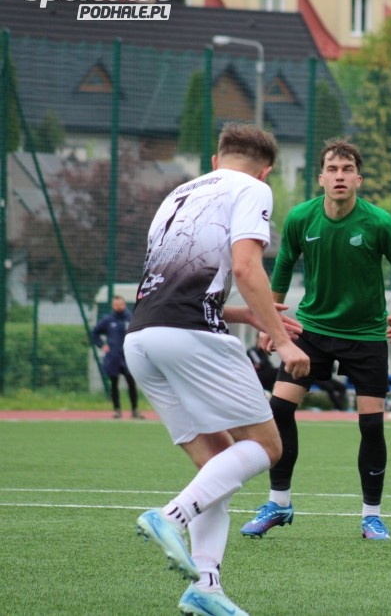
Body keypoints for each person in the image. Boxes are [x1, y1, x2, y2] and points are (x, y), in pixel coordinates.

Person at [125, 123, 311, 616]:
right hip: (190, 337)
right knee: (268, 447)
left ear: (215, 160)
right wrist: (284, 341)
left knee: (217, 470)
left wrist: (245, 315)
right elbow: (247, 268)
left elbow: (168, 288)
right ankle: (172, 515)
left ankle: (205, 588)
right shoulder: (252, 188)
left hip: (142, 338)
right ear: (266, 170)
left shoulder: (176, 196)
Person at [240, 137, 391, 541]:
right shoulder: (301, 218)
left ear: (359, 179)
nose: (340, 176)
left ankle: (371, 516)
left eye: (347, 169)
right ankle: (278, 503)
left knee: (371, 426)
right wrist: (271, 322)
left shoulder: (379, 223)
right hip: (312, 331)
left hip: (366, 335)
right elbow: (283, 268)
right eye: (332, 169)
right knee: (279, 410)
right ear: (320, 178)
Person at [91, 295, 143, 419]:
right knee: (114, 384)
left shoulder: (131, 318)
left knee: (131, 382)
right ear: (113, 305)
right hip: (113, 357)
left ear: (124, 304)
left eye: (121, 304)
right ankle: (117, 410)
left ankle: (135, 410)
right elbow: (94, 333)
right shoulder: (108, 320)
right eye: (116, 304)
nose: (119, 307)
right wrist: (102, 345)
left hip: (128, 357)